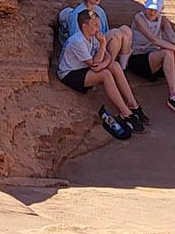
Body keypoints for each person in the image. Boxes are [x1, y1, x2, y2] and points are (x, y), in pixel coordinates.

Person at [57, 7, 141, 138]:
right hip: (70, 74)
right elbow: (94, 63)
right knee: (105, 74)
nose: (98, 27)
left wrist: (104, 62)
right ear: (85, 26)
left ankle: (133, 105)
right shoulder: (78, 41)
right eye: (95, 24)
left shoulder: (91, 37)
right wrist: (103, 45)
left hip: (83, 68)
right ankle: (125, 113)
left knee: (114, 65)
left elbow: (105, 56)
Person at [61, 0, 137, 82]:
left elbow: (105, 30)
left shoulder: (99, 11)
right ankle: (107, 66)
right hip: (88, 48)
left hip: (99, 43)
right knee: (116, 33)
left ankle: (122, 68)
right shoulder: (78, 14)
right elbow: (75, 37)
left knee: (125, 30)